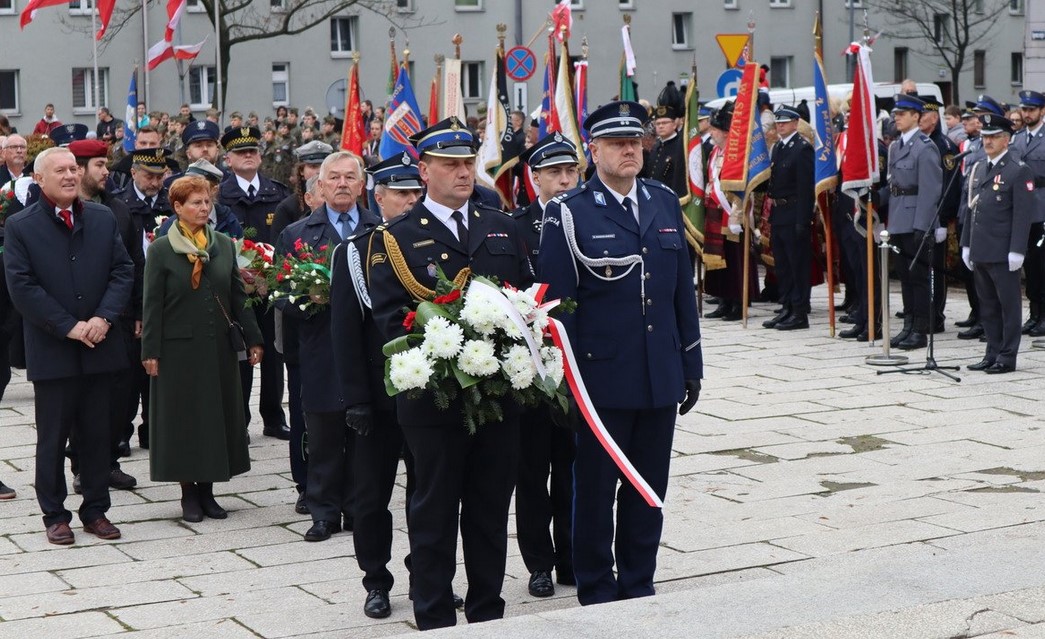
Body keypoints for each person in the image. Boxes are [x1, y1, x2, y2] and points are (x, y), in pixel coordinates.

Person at [366, 116, 531, 630]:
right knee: (433, 514)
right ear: (424, 171)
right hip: (433, 401)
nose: (463, 173)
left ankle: (488, 613)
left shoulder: (501, 225)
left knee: (489, 513)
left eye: (468, 163)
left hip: (498, 397)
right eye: (450, 164)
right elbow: (390, 319)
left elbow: (527, 300)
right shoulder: (395, 237)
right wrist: (455, 350)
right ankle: (434, 615)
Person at [537, 100, 703, 606]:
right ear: (594, 151)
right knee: (594, 489)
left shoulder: (662, 201)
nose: (629, 150)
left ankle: (638, 580)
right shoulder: (569, 212)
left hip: (659, 372)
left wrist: (690, 364)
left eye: (635, 142)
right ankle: (596, 586)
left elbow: (681, 293)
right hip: (600, 380)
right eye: (616, 143)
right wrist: (565, 384)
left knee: (649, 487)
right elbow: (558, 309)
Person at [4, 147, 134, 545]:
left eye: (73, 169)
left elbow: (122, 270)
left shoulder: (101, 217)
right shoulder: (21, 225)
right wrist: (68, 327)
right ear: (39, 179)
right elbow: (22, 286)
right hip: (53, 348)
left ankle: (95, 510)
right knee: (52, 437)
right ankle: (55, 515)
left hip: (99, 343)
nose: (70, 175)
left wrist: (103, 318)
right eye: (59, 170)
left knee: (97, 434)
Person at [141, 176, 264, 521]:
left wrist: (254, 339)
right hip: (177, 350)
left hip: (218, 347)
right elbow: (152, 304)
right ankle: (188, 494)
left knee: (214, 417)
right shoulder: (162, 249)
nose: (204, 208)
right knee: (183, 420)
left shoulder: (222, 244)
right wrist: (150, 351)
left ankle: (208, 491)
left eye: (207, 201)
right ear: (177, 207)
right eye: (196, 203)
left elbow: (238, 295)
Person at [275, 151, 370, 542]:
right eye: (334, 177)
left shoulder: (381, 231)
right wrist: (307, 298)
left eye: (350, 177)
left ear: (362, 185)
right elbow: (280, 291)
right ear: (320, 185)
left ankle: (359, 509)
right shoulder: (297, 234)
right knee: (324, 433)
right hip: (320, 346)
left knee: (365, 437)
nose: (342, 183)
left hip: (367, 349)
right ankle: (324, 512)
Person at [510, 133, 579, 598]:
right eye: (554, 172)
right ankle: (538, 562)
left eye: (571, 171)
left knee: (574, 469)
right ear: (535, 178)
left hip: (577, 366)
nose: (564, 180)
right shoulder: (515, 227)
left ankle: (573, 556)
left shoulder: (589, 218)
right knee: (532, 471)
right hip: (532, 367)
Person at [66, 139, 142, 493]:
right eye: (99, 165)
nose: (106, 171)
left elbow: (133, 263)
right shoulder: (62, 209)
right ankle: (82, 466)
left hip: (117, 318)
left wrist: (138, 310)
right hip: (77, 323)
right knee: (82, 399)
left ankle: (109, 463)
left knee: (119, 397)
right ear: (79, 168)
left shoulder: (118, 208)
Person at [218, 126, 292, 441]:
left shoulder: (278, 193)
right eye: (240, 152)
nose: (248, 155)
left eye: (252, 150)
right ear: (228, 159)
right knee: (242, 354)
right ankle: (240, 420)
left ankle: (274, 417)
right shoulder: (221, 195)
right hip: (237, 289)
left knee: (274, 354)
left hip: (271, 286)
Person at [961, 114, 1034, 374]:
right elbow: (971, 209)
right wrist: (966, 244)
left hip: (1003, 251)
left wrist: (1017, 250)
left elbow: (1023, 215)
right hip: (981, 248)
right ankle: (991, 352)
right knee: (988, 305)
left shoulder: (1018, 169)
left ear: (1007, 140)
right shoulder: (980, 167)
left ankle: (1007, 356)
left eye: (994, 137)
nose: (988, 141)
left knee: (1008, 306)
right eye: (985, 136)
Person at [886, 94, 943, 351]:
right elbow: (894, 185)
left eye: (902, 114)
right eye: (896, 114)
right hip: (898, 218)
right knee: (904, 277)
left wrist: (923, 225)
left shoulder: (924, 147)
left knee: (918, 277)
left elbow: (930, 191)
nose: (897, 118)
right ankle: (908, 325)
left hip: (915, 221)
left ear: (916, 116)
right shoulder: (897, 146)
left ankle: (920, 330)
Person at [764, 105, 815, 331]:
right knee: (783, 266)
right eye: (778, 122)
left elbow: (806, 188)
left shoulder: (802, 148)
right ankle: (786, 307)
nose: (780, 126)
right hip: (779, 213)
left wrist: (803, 220)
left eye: (785, 122)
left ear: (795, 123)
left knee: (797, 266)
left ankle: (799, 312)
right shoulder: (778, 147)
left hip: (794, 212)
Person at [1012, 90, 1045, 337]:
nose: (1027, 114)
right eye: (1024, 109)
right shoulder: (1017, 138)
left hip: (1042, 206)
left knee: (1043, 264)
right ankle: (1034, 314)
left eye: (1031, 109)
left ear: (1042, 111)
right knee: (1030, 266)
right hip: (1024, 208)